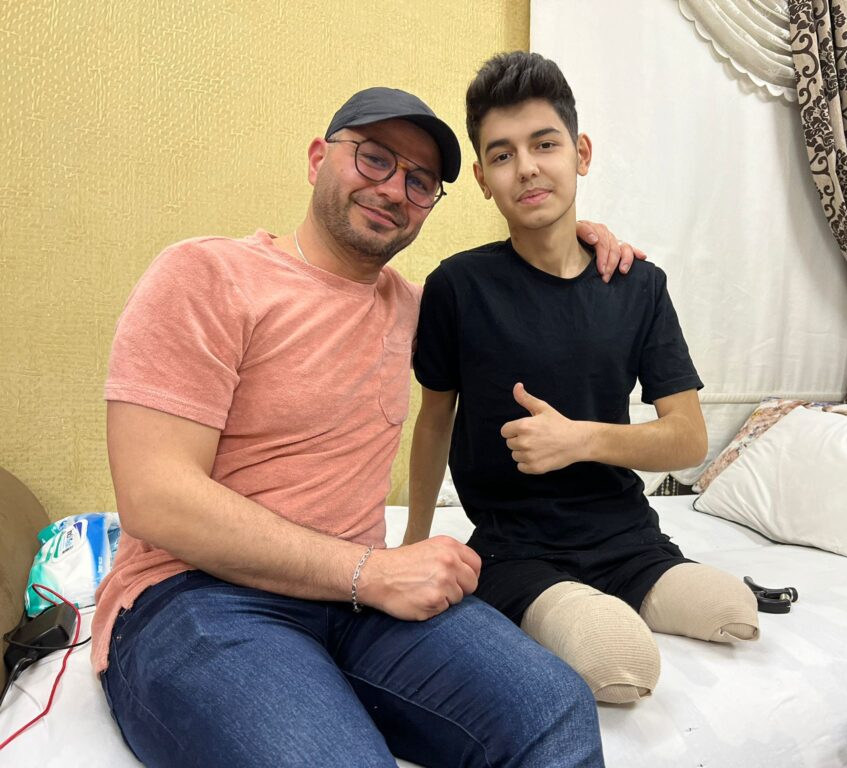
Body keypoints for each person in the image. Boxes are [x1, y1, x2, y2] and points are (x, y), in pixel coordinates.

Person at [94, 86, 639, 767]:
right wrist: (368, 571)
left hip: (361, 604)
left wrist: (576, 245)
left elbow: (527, 300)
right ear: (317, 157)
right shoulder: (210, 275)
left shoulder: (421, 309)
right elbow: (155, 496)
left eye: (419, 181)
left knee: (553, 709)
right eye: (374, 158)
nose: (394, 190)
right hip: (199, 593)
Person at [406, 52, 760, 705]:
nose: (527, 167)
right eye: (503, 154)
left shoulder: (637, 285)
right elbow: (434, 421)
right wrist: (413, 541)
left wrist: (579, 440)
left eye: (545, 144)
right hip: (515, 548)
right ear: (482, 178)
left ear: (582, 153)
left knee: (734, 610)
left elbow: (688, 439)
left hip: (627, 537)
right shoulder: (457, 287)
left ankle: (624, 592)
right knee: (620, 659)